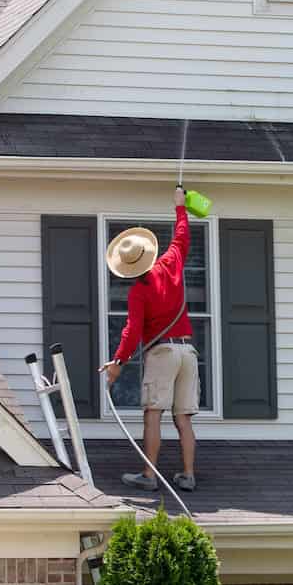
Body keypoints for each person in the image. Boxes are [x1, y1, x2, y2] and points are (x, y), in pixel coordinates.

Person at [101, 186, 198, 492]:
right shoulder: (170, 263)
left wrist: (117, 363)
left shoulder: (139, 291)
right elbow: (182, 237)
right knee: (183, 418)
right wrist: (180, 207)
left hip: (163, 354)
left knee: (153, 413)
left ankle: (149, 474)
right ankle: (188, 474)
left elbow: (131, 331)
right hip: (188, 352)